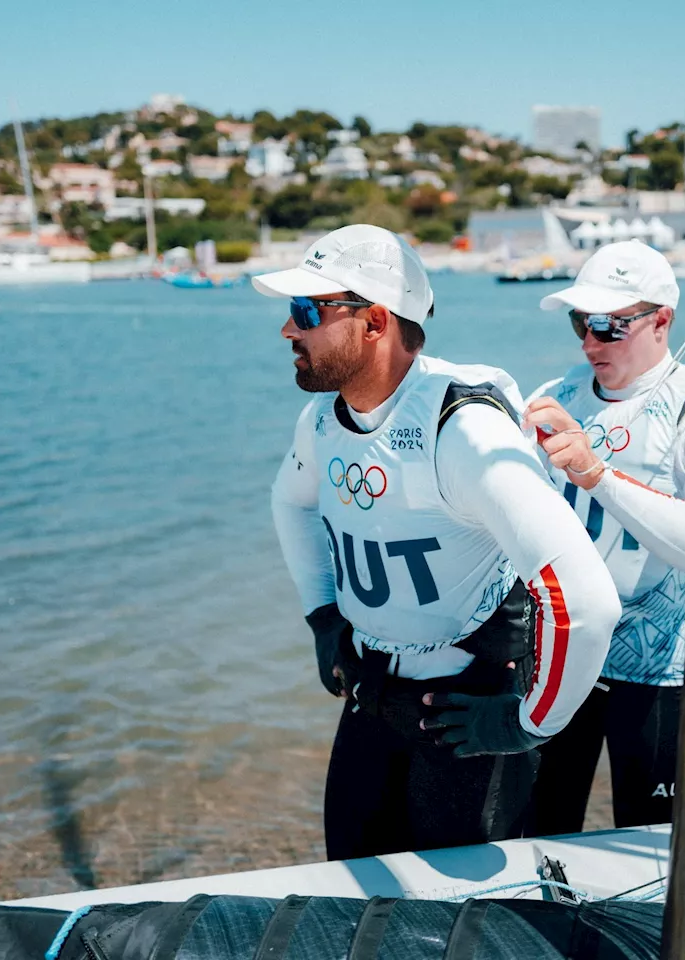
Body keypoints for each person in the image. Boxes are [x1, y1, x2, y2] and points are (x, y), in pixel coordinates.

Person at [263, 224, 620, 860]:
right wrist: (323, 618)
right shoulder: (323, 417)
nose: (289, 330)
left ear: (374, 321)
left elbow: (588, 600)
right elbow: (289, 503)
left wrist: (527, 724)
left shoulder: (464, 429)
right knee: (350, 894)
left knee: (462, 922)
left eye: (306, 312)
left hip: (466, 712)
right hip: (372, 696)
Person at [521, 239, 685, 835]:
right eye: (581, 322)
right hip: (563, 649)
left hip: (657, 671)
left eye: (609, 325)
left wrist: (596, 474)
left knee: (653, 841)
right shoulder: (562, 393)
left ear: (662, 320)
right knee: (538, 830)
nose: (589, 341)